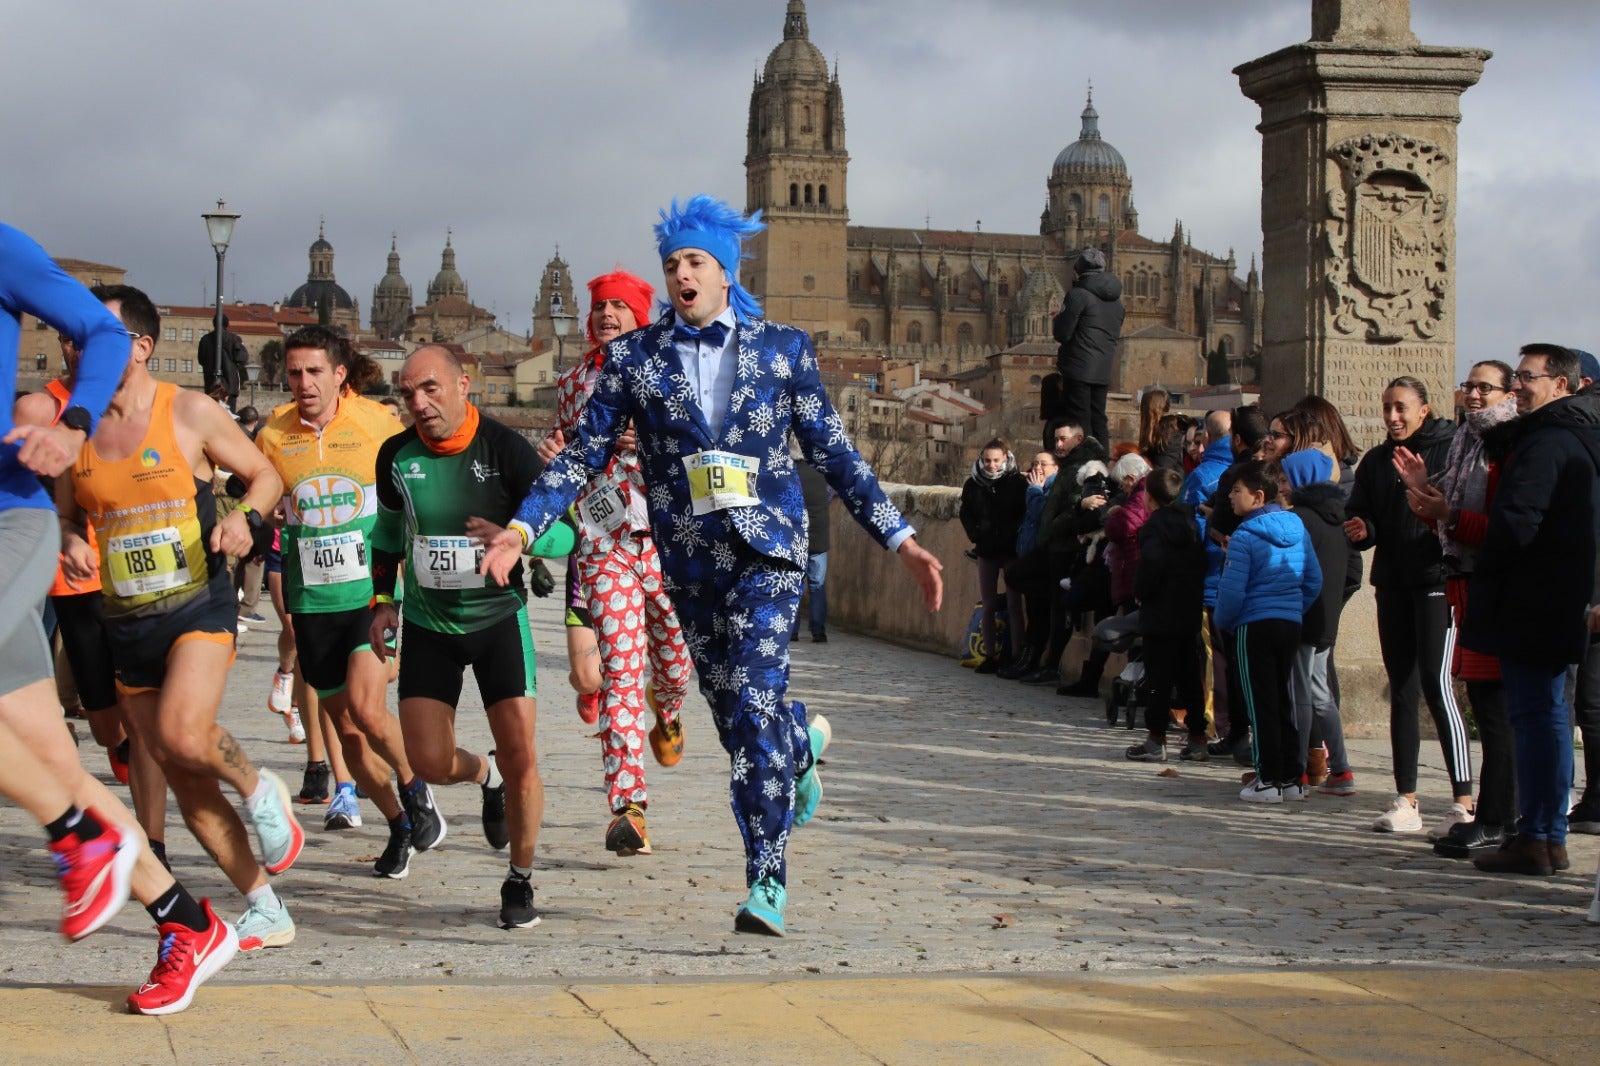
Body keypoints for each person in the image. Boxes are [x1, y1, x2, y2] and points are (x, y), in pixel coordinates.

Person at [479, 195, 943, 937]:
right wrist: (523, 526)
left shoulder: (784, 349)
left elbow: (835, 453)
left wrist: (901, 539)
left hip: (768, 555)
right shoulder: (635, 358)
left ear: (726, 272)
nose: (681, 274)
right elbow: (582, 453)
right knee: (736, 726)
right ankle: (798, 748)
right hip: (692, 566)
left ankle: (766, 881)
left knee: (753, 707)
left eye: (694, 261)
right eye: (671, 264)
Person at [1, 224, 237, 1015]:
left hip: (7, 517)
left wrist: (72, 426)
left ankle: (77, 834)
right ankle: (185, 921)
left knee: (61, 789)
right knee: (50, 760)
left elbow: (101, 332)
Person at [60, 284, 303, 957]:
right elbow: (66, 514)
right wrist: (71, 540)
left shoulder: (189, 411)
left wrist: (244, 519)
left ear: (141, 347)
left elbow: (266, 476)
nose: (78, 348)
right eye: (75, 336)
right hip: (126, 620)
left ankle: (260, 787)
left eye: (97, 335)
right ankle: (265, 906)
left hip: (198, 603)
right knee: (184, 775)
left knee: (182, 730)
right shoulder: (73, 431)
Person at [367, 345, 576, 928]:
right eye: (408, 393)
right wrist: (382, 601)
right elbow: (386, 534)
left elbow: (564, 534)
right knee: (429, 762)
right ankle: (487, 776)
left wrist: (516, 538)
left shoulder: (505, 450)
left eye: (430, 389)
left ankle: (520, 878)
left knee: (522, 754)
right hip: (429, 625)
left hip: (497, 621)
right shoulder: (396, 455)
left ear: (464, 386)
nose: (419, 403)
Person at [256, 325, 446, 877]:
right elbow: (258, 491)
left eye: (315, 371)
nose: (304, 383)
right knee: (349, 736)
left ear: (340, 374)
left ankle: (415, 788)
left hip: (370, 596)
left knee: (368, 708)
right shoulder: (273, 435)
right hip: (311, 603)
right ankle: (398, 824)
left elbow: (421, 474)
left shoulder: (378, 424)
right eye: (294, 373)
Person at [535, 270, 691, 858]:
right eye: (601, 307)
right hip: (604, 545)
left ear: (641, 317)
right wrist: (554, 452)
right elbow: (566, 446)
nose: (607, 315)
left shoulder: (672, 373)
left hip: (669, 543)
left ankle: (668, 709)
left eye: (620, 307)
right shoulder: (574, 381)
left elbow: (703, 446)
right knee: (620, 675)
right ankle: (629, 809)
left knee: (675, 664)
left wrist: (650, 447)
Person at [1464, 344, 1600, 877]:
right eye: (1516, 376)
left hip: (1534, 598)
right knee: (1549, 717)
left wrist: (1490, 567)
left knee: (1536, 718)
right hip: (1558, 595)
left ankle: (1539, 834)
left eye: (1527, 377)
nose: (1517, 386)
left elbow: (1518, 522)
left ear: (1561, 385)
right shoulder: (1573, 435)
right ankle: (1546, 836)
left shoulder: (1548, 441)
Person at [1396, 360, 1517, 858]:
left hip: (1497, 587)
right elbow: (1447, 517)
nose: (1473, 394)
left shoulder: (1509, 443)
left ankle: (1498, 818)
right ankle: (1496, 816)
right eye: (1469, 385)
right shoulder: (1468, 440)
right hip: (1466, 584)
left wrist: (1446, 513)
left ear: (1508, 393)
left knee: (1499, 712)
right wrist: (1427, 496)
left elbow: (1507, 528)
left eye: (1485, 387)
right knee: (1487, 706)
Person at [1344, 377, 1472, 836]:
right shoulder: (1376, 461)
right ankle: (1407, 799)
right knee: (1401, 687)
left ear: (1423, 410)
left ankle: (1463, 801)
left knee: (1437, 684)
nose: (1393, 417)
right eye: (1387, 408)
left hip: (1437, 579)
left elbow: (1456, 509)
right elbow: (1365, 513)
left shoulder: (1449, 451)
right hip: (1393, 580)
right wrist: (1363, 528)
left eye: (1401, 408)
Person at [1214, 459, 1322, 803]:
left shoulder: (1245, 535)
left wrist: (1224, 622)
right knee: (1282, 699)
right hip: (1289, 623)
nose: (1231, 497)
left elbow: (1232, 592)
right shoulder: (1297, 527)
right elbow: (1313, 580)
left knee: (1260, 703)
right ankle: (1291, 778)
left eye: (1237, 491)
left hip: (1254, 624)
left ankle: (1268, 779)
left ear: (1258, 496)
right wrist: (1291, 608)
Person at [1282, 449, 1355, 794]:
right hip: (1327, 618)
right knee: (1320, 693)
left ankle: (1297, 770)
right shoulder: (1339, 519)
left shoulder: (1299, 519)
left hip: (1303, 615)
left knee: (1300, 694)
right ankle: (1341, 769)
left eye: (1285, 479)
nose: (1282, 485)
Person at [1123, 468, 1208, 762]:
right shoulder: (1191, 524)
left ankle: (1156, 738)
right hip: (1187, 609)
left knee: (1158, 678)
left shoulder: (1153, 527)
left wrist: (1141, 591)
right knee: (1189, 676)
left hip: (1160, 612)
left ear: (1149, 496)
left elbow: (1152, 564)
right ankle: (1198, 737)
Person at [959, 437, 1027, 674]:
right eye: (987, 460)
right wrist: (975, 534)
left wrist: (1015, 534)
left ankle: (1016, 655)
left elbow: (1024, 513)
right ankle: (990, 655)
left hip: (1011, 550)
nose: (991, 465)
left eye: (996, 460)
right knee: (988, 604)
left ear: (1005, 458)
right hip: (986, 549)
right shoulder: (973, 484)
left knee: (1014, 604)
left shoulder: (1017, 482)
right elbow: (966, 512)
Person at [1052, 249, 1124, 446]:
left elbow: (1062, 334)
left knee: (1079, 420)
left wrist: (1058, 318)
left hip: (1078, 367)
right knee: (1098, 418)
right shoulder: (1117, 302)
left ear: (1078, 270)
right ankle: (1101, 459)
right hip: (1103, 369)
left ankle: (1085, 460)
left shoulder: (1077, 295)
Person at [999, 450, 1059, 680]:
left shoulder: (1051, 489)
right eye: (1035, 463)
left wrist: (1034, 489)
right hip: (1029, 556)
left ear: (1056, 468)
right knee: (1034, 614)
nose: (1038, 468)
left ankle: (1031, 661)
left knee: (1039, 616)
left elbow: (1040, 514)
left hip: (1043, 561)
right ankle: (1024, 660)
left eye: (1044, 464)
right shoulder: (1035, 486)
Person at [796, 459, 831, 642]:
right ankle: (818, 631)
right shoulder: (823, 473)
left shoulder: (792, 473)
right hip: (819, 537)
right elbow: (832, 495)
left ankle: (792, 631)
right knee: (817, 585)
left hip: (797, 537)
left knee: (795, 585)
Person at [197, 314, 247, 411]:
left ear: (214, 324)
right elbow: (242, 358)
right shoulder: (234, 339)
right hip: (230, 387)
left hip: (211, 386)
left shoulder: (204, 340)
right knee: (229, 415)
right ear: (227, 325)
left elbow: (201, 360)